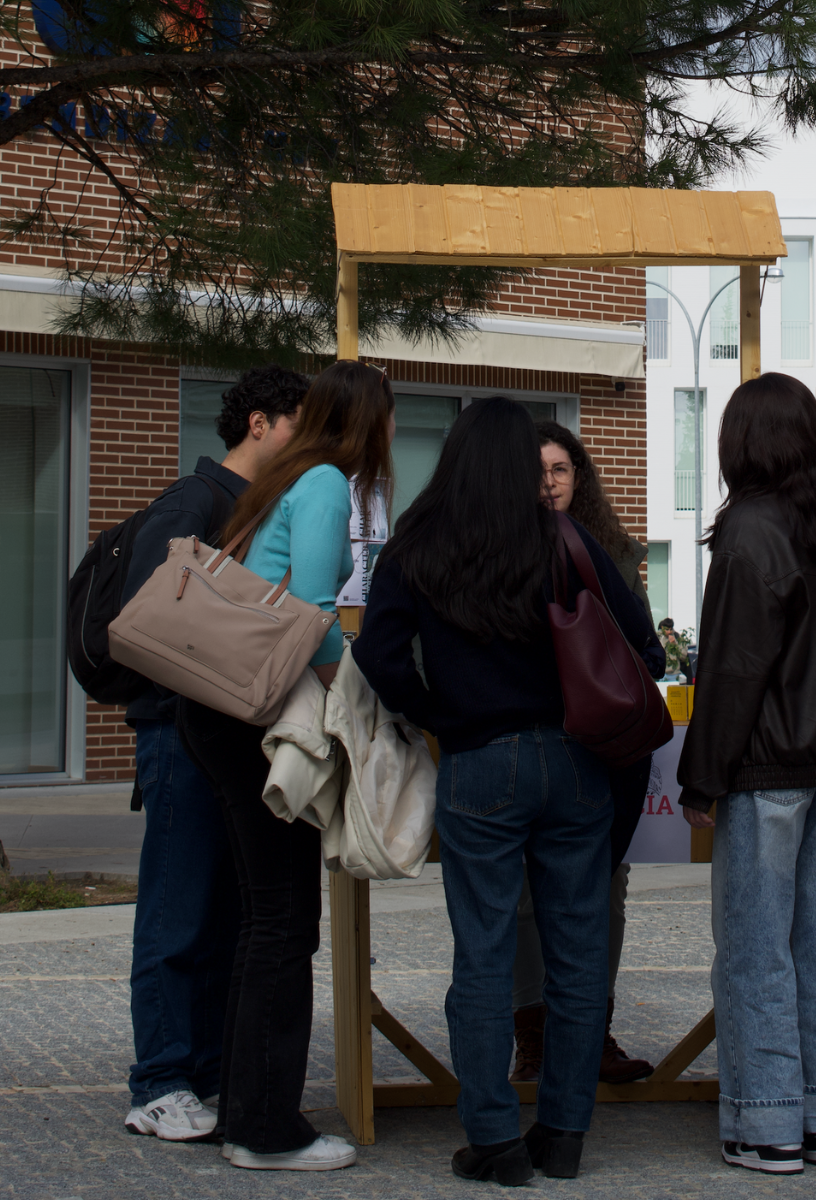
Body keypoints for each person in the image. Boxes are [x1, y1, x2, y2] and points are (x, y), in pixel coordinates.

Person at [351, 398, 664, 1185]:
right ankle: (562, 1135)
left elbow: (379, 657)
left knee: (483, 956)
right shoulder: (565, 538)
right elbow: (644, 647)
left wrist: (439, 712)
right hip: (575, 762)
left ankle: (493, 1140)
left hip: (478, 764)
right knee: (577, 955)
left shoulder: (418, 543)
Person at [178, 359, 395, 1171]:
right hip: (253, 716)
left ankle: (246, 1113)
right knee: (281, 922)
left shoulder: (290, 478)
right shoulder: (328, 483)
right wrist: (353, 688)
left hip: (220, 709)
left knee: (261, 919)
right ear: (369, 420)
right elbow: (309, 607)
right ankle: (266, 1129)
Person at [677, 373, 816, 1175]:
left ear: (742, 443)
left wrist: (703, 779)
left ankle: (768, 1122)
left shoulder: (751, 532)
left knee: (757, 945)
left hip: (770, 765)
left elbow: (734, 670)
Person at [120, 365, 307, 1142]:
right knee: (178, 910)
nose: (309, 442)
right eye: (299, 423)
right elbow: (143, 620)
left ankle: (201, 1073)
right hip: (180, 733)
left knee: (228, 911)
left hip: (224, 738)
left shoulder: (256, 508)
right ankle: (159, 1081)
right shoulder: (195, 501)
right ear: (258, 423)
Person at [504, 422, 658, 1089]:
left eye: (561, 469)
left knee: (606, 889)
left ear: (580, 476)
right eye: (538, 471)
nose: (549, 482)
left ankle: (590, 1028)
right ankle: (533, 1036)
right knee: (524, 897)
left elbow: (644, 648)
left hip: (599, 744)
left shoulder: (615, 551)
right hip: (527, 737)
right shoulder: (497, 546)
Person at [657, 618, 693, 682]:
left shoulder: (677, 637)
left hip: (675, 674)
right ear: (662, 628)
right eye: (666, 629)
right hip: (662, 674)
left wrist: (675, 644)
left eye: (670, 629)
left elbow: (683, 657)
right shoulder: (658, 637)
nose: (669, 632)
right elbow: (657, 654)